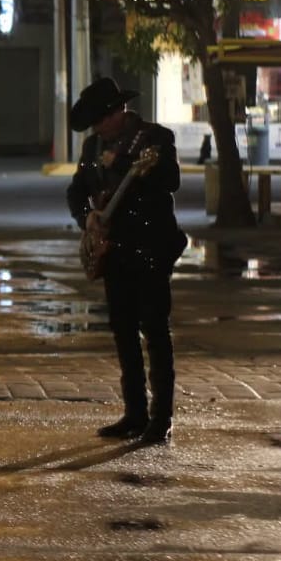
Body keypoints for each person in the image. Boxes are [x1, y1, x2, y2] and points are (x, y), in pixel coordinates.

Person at [66, 77, 187, 445]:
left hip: (150, 248)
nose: (98, 128)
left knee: (155, 331)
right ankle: (133, 412)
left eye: (102, 119)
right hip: (114, 251)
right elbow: (77, 191)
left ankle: (160, 418)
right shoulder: (91, 147)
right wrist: (86, 215)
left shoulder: (154, 139)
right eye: (94, 123)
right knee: (123, 332)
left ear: (119, 111)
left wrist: (126, 162)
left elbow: (171, 181)